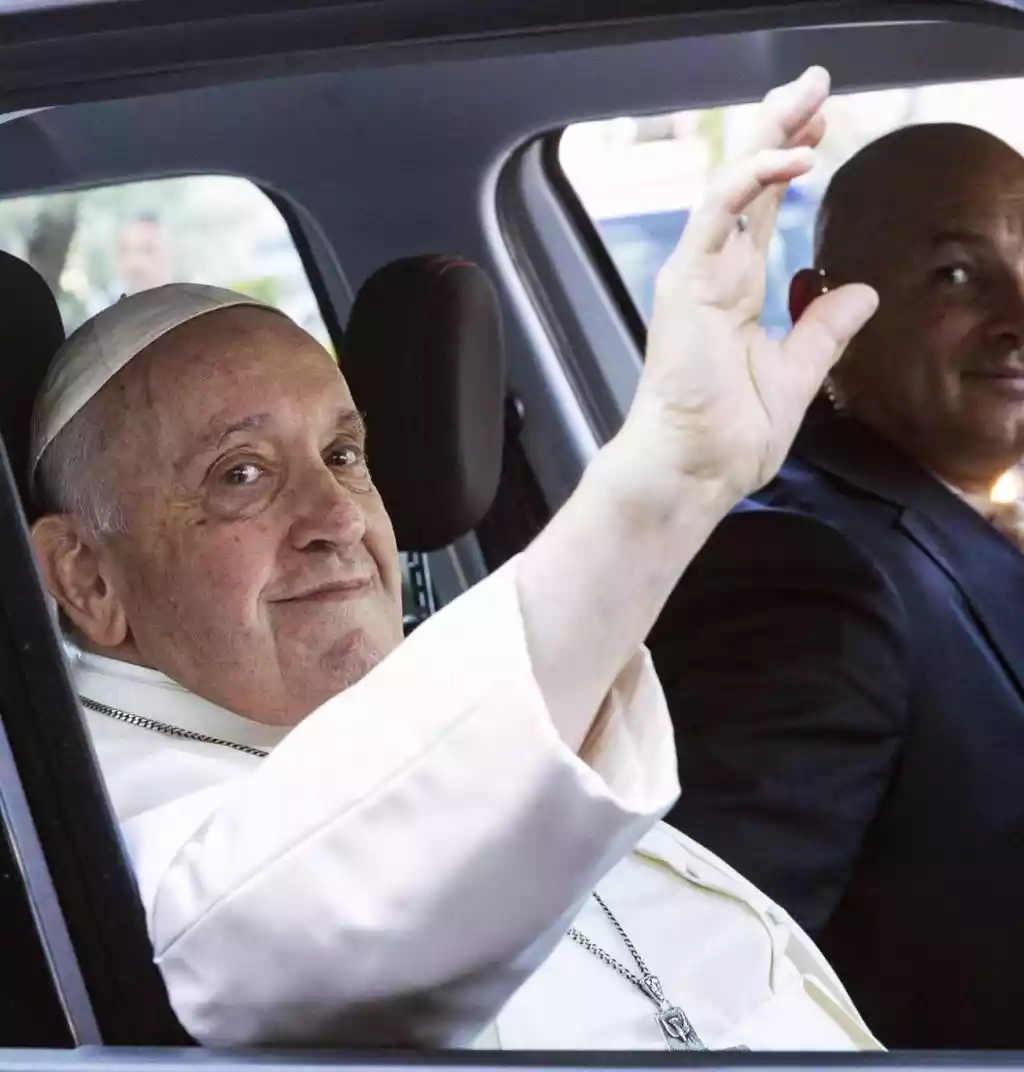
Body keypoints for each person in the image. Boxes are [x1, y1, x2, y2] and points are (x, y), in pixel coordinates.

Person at [29, 68, 879, 1050]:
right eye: (241, 475)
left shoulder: (441, 686)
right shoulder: (94, 817)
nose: (336, 518)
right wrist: (666, 482)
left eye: (343, 455)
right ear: (88, 578)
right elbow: (316, 921)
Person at [648, 121, 1024, 1049]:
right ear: (822, 310)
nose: (1017, 314)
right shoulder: (808, 579)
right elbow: (710, 1002)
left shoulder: (931, 528)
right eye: (956, 275)